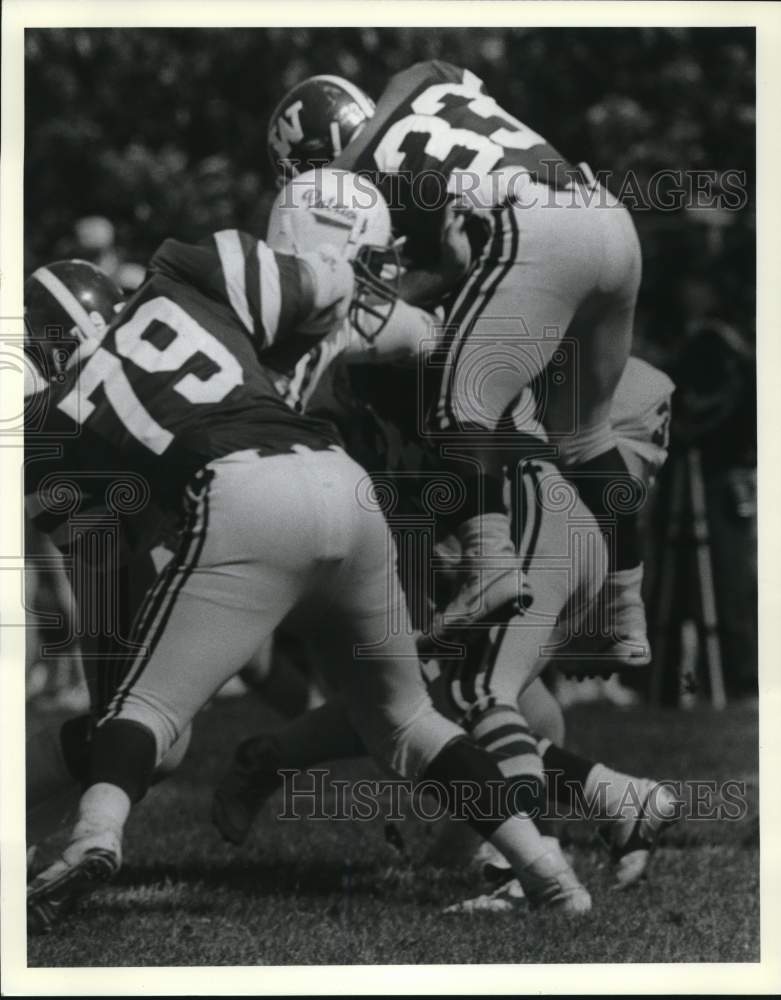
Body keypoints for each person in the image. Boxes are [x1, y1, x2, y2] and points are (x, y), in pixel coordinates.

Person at [26, 178, 594, 935]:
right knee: (410, 719)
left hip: (242, 501)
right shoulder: (185, 273)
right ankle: (547, 871)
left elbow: (102, 572)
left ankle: (94, 836)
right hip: (343, 489)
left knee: (145, 711)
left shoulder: (42, 431)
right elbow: (330, 283)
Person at [267, 64, 649, 669]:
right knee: (587, 435)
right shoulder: (416, 115)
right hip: (606, 215)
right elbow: (437, 68)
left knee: (459, 397)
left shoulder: (342, 186)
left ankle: (490, 565)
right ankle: (627, 610)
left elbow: (367, 308)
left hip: (538, 226)